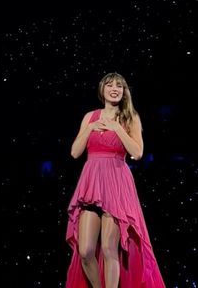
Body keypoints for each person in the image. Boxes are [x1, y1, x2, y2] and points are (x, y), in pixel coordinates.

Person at [65, 72, 166, 288]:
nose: (114, 89)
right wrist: (91, 128)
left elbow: (137, 153)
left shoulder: (130, 117)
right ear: (102, 90)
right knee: (85, 251)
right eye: (110, 85)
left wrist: (117, 127)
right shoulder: (90, 116)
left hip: (116, 185)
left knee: (110, 249)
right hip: (91, 185)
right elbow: (74, 153)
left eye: (119, 86)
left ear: (124, 91)